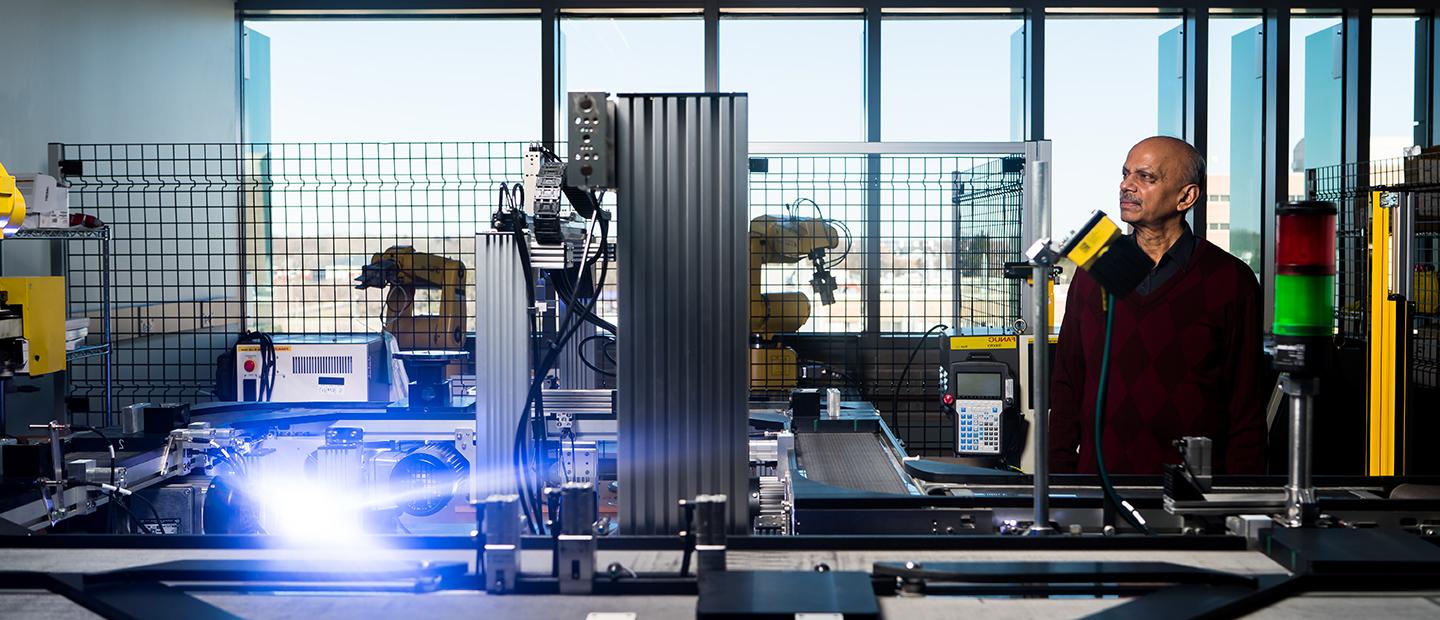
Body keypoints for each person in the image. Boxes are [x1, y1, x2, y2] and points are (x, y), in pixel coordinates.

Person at [1049, 136, 1267, 475]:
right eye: (1125, 174)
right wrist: (1059, 483)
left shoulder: (1230, 280)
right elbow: (1067, 386)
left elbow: (1246, 407)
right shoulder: (1095, 271)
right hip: (1098, 487)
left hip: (1191, 495)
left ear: (1186, 196)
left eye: (1145, 177)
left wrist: (1241, 500)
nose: (1126, 185)